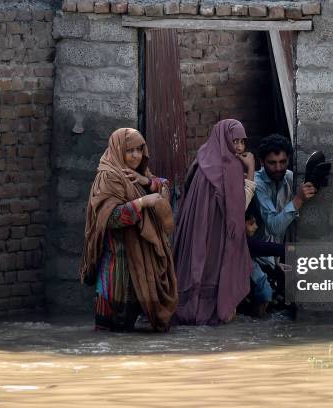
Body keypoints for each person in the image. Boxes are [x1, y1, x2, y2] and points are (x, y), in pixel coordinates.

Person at [79, 128, 178, 332]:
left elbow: (165, 189)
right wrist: (142, 202)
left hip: (139, 263)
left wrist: (147, 182)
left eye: (139, 150)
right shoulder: (108, 177)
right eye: (129, 150)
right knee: (109, 330)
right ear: (117, 150)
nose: (135, 156)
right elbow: (110, 218)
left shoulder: (140, 174)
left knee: (129, 332)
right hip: (117, 265)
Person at [173, 119, 256, 325]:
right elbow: (238, 208)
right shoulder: (231, 166)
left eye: (242, 142)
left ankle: (187, 308)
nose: (238, 147)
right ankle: (213, 310)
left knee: (195, 266)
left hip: (194, 229)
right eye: (234, 141)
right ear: (224, 138)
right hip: (216, 232)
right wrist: (251, 170)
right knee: (213, 269)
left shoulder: (202, 157)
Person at [251, 134, 317, 312]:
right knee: (263, 298)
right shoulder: (257, 184)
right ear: (262, 162)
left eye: (283, 162)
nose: (278, 168)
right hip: (252, 255)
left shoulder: (290, 178)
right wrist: (298, 200)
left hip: (274, 258)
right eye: (272, 163)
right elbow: (273, 225)